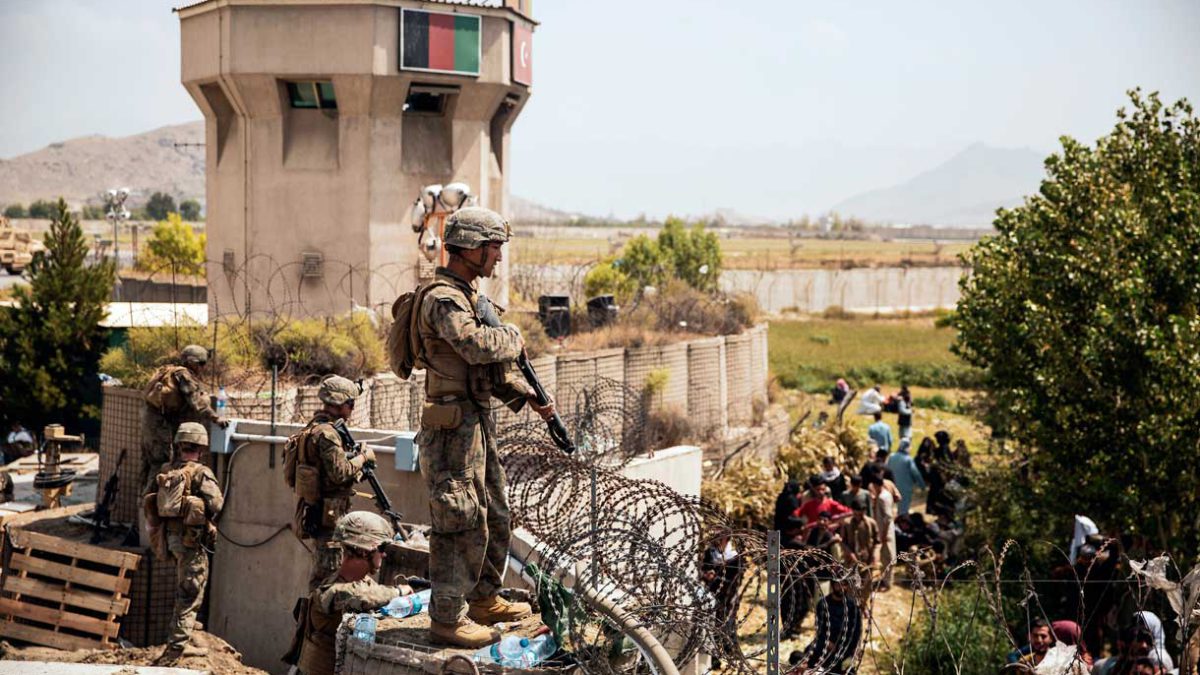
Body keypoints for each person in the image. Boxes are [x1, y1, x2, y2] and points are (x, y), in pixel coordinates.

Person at [411, 207, 555, 648]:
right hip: (451, 428)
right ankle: (448, 618)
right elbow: (475, 347)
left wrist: (520, 392)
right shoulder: (443, 298)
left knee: (494, 511)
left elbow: (484, 371)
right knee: (459, 518)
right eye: (494, 247)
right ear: (472, 247)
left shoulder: (468, 294)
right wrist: (514, 337)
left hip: (474, 421)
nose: (498, 257)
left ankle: (483, 598)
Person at [295, 512, 415, 675]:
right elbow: (358, 596)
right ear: (364, 551)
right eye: (381, 548)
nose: (384, 554)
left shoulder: (365, 584)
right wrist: (399, 592)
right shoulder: (331, 592)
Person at [288, 375, 376, 591]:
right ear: (343, 405)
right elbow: (340, 473)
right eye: (351, 404)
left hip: (320, 513)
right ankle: (317, 624)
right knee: (328, 582)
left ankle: (312, 622)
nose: (352, 409)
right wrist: (364, 457)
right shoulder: (327, 434)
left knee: (320, 581)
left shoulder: (312, 428)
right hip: (329, 521)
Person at [146, 423, 224, 665]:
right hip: (192, 542)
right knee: (189, 594)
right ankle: (176, 650)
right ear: (201, 447)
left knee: (186, 586)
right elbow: (216, 505)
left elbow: (148, 499)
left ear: (178, 445)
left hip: (170, 540)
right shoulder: (201, 472)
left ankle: (187, 635)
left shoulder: (166, 470)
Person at [140, 345, 226, 495]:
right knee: (161, 462)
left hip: (151, 422)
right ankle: (152, 505)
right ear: (192, 362)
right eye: (201, 363)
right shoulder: (183, 375)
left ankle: (145, 503)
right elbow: (196, 401)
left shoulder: (169, 370)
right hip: (160, 426)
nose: (203, 368)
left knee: (151, 462)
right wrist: (216, 418)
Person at [800, 572, 862, 674]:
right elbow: (820, 628)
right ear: (833, 585)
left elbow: (856, 632)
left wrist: (853, 649)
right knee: (803, 657)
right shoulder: (823, 604)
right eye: (838, 584)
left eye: (844, 584)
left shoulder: (853, 607)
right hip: (826, 643)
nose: (841, 587)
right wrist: (827, 642)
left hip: (845, 646)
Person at [867, 475, 896, 591]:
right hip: (885, 530)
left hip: (886, 531)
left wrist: (883, 534)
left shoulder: (883, 497)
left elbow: (888, 518)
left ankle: (888, 583)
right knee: (885, 557)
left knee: (888, 556)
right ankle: (885, 579)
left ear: (876, 485)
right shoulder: (885, 495)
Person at [886, 438, 925, 515]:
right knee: (903, 509)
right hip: (905, 487)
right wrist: (922, 485)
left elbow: (887, 470)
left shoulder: (892, 457)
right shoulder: (908, 459)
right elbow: (915, 473)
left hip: (892, 486)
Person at [840, 495, 877, 570]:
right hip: (851, 560)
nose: (858, 517)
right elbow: (843, 542)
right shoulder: (847, 523)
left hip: (868, 559)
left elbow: (877, 542)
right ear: (852, 511)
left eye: (861, 515)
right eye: (856, 514)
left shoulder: (871, 523)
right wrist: (851, 555)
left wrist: (875, 555)